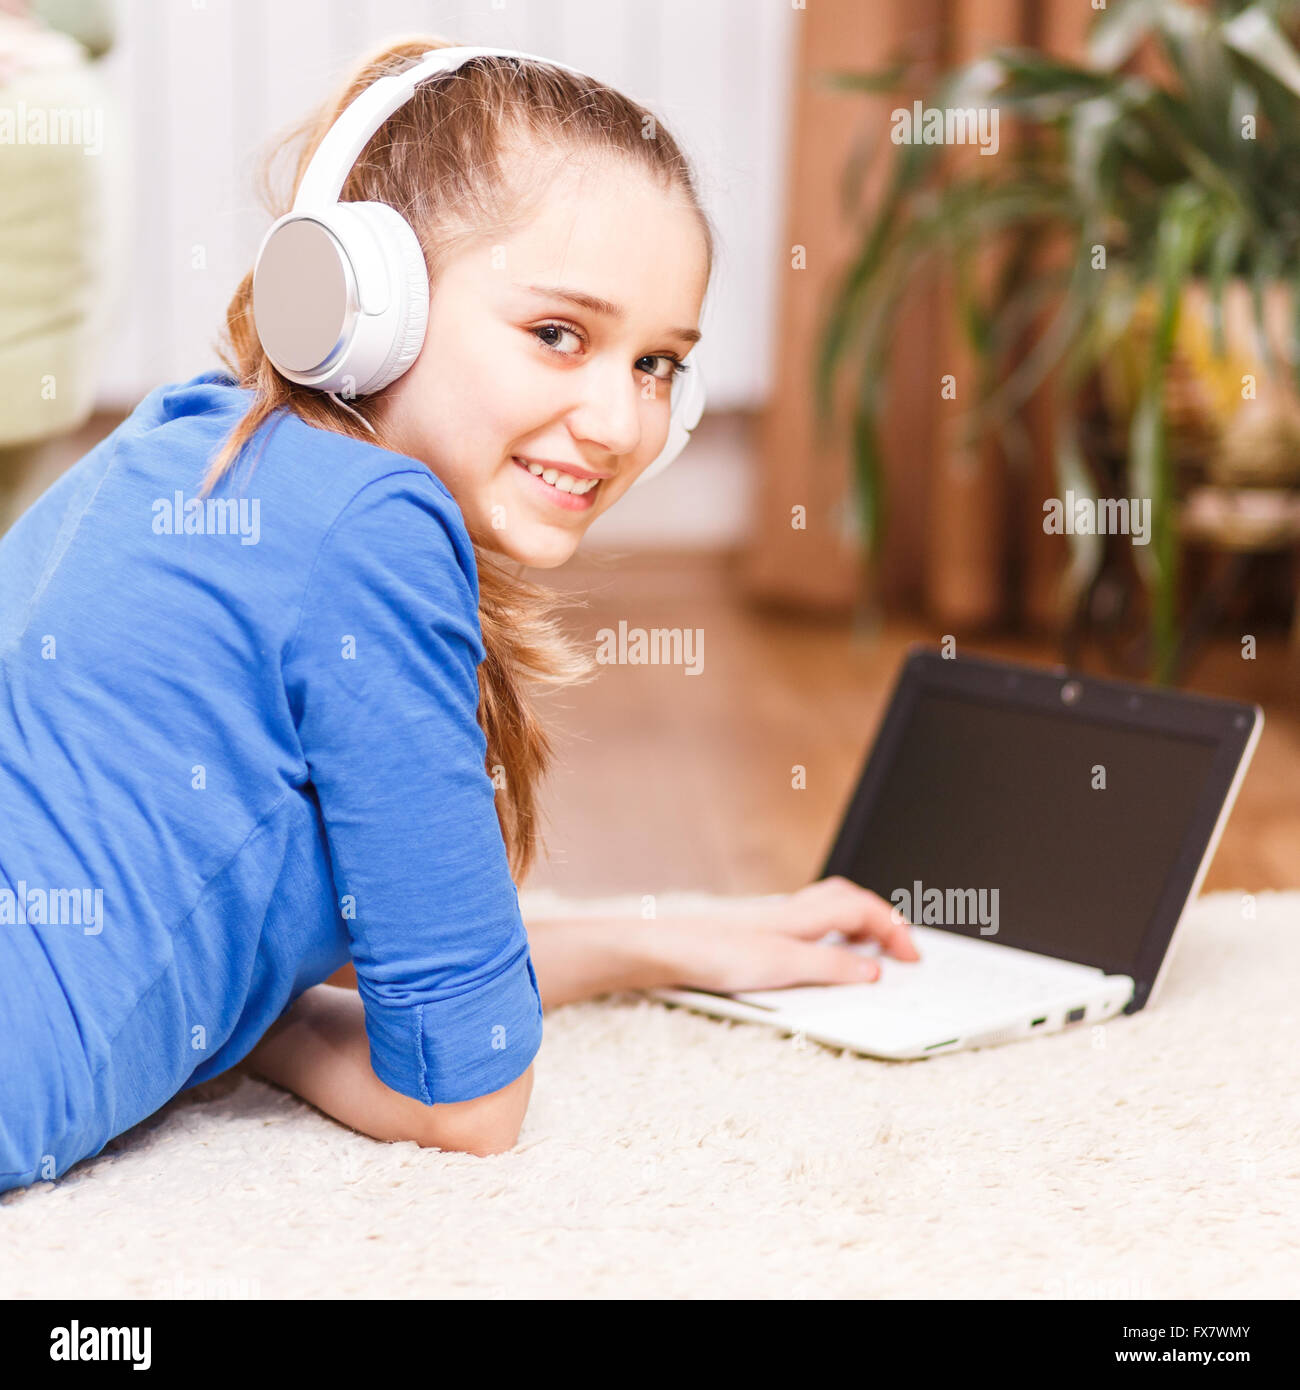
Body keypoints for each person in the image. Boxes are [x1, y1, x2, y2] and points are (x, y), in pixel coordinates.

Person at [0, 38, 916, 1194]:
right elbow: (467, 1099)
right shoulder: (374, 523)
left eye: (656, 364)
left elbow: (405, 944)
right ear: (359, 299)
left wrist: (679, 938)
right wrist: (257, 1024)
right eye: (558, 335)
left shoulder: (182, 442)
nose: (619, 422)